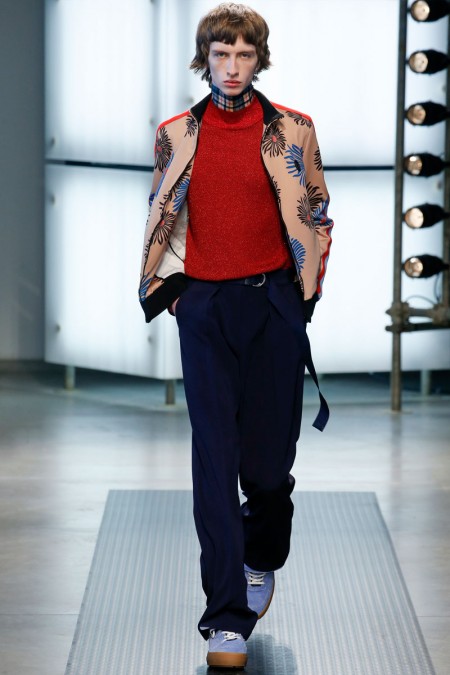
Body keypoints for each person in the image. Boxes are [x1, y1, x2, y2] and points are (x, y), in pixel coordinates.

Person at [139, 3, 334, 669]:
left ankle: (261, 555)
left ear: (259, 60)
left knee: (268, 468)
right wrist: (177, 295)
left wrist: (304, 293)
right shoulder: (176, 134)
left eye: (243, 54)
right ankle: (225, 616)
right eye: (220, 55)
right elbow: (161, 212)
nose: (231, 67)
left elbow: (318, 213)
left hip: (272, 304)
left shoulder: (294, 130)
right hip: (206, 309)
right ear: (205, 60)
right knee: (215, 462)